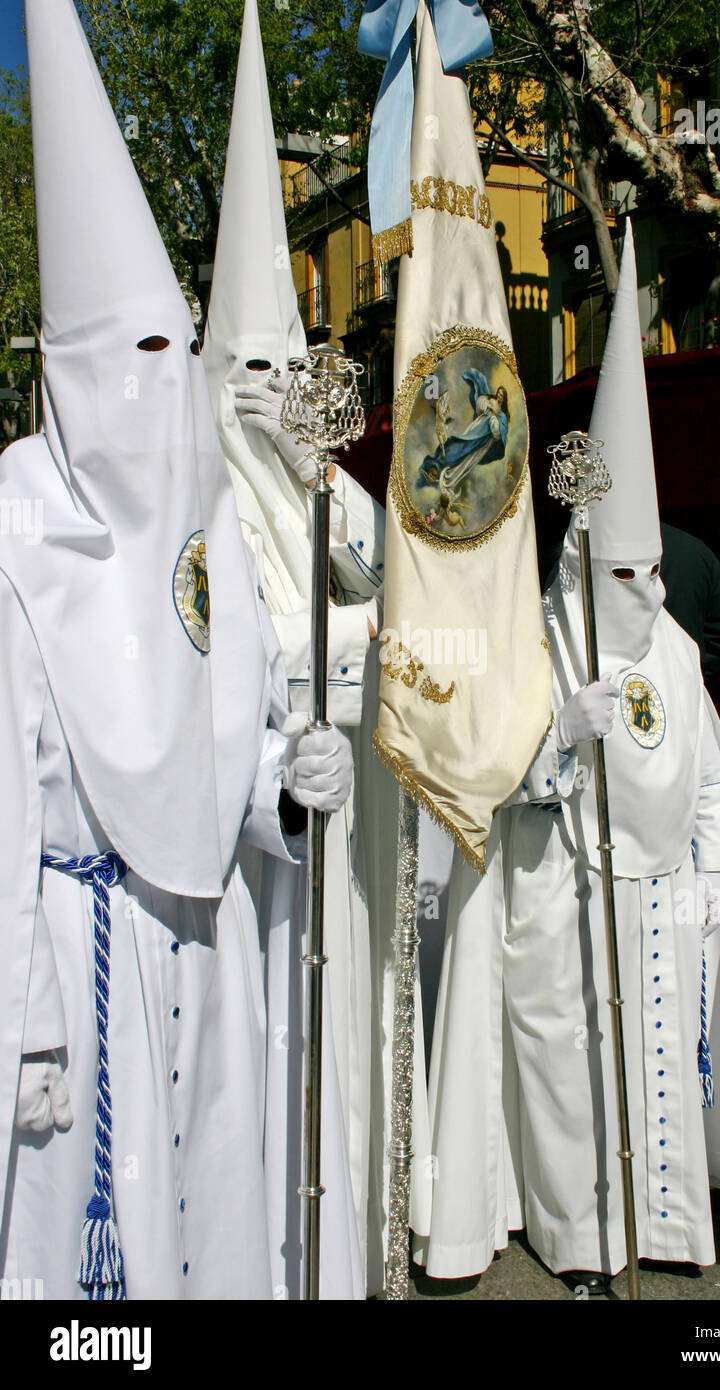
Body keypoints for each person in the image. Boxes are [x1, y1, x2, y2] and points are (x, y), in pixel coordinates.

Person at [0, 0, 352, 1301]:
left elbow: (224, 742)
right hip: (76, 960)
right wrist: (26, 1018)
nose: (161, 387)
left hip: (205, 954)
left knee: (213, 1233)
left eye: (174, 350)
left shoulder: (207, 531)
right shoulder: (14, 534)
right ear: (74, 372)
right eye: (132, 356)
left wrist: (283, 784)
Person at [415, 222, 720, 1289]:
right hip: (556, 892)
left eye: (651, 574)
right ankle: (582, 1238)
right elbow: (486, 778)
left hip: (650, 897)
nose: (640, 597)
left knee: (649, 1068)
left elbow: (706, 776)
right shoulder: (536, 642)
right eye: (620, 576)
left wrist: (705, 883)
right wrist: (558, 734)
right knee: (565, 1064)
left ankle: (665, 1226)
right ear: (579, 565)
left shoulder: (680, 655)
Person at [200, 0, 429, 1296]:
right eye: (247, 378)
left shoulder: (323, 494)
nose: (265, 405)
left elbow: (388, 591)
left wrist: (326, 482)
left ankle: (353, 1239)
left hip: (346, 838)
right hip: (242, 851)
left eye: (278, 378)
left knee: (344, 1029)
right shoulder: (190, 518)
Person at [660, 523, 720, 681]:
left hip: (621, 692)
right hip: (690, 688)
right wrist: (708, 672)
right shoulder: (696, 550)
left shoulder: (605, 551)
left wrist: (709, 669)